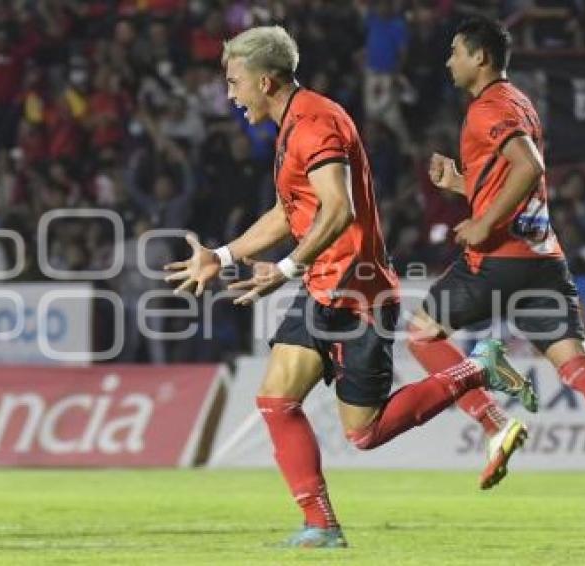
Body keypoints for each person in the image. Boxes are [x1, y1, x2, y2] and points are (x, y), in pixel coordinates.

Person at [164, 25, 537, 548]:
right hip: (324, 282)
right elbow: (286, 213)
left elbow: (338, 209)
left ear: (266, 82)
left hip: (352, 289)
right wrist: (223, 256)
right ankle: (320, 525)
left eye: (234, 82)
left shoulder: (316, 124)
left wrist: (287, 269)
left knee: (363, 432)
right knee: (276, 400)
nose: (230, 95)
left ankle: (478, 365)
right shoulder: (295, 123)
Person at [410, 16, 585, 529]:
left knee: (422, 333)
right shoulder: (518, 101)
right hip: (545, 259)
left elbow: (530, 168)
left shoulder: (488, 108)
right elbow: (509, 174)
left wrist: (481, 223)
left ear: (480, 58)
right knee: (579, 365)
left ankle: (493, 422)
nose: (449, 60)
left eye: (456, 51)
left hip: (499, 260)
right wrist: (463, 185)